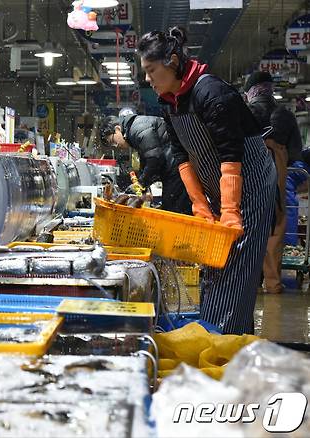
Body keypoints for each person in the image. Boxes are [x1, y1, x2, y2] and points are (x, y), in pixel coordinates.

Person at [138, 27, 277, 335]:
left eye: (151, 70)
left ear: (172, 61)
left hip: (249, 184)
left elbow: (231, 153)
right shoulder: (170, 102)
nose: (147, 79)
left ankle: (223, 344)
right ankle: (218, 337)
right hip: (220, 188)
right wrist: (201, 205)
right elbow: (183, 159)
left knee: (236, 265)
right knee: (214, 263)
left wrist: (230, 211)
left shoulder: (210, 92)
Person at [244, 71, 303, 294]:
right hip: (277, 173)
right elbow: (296, 153)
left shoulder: (246, 112)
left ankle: (250, 284)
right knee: (275, 228)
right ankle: (273, 284)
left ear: (251, 91)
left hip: (249, 173)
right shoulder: (285, 115)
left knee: (249, 226)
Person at [99, 114, 192, 214]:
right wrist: (142, 187)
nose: (116, 146)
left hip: (177, 167)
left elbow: (154, 158)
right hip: (174, 167)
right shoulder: (133, 132)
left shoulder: (138, 128)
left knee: (175, 209)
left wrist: (141, 183)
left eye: (113, 142)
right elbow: (148, 160)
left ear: (117, 129)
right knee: (172, 206)